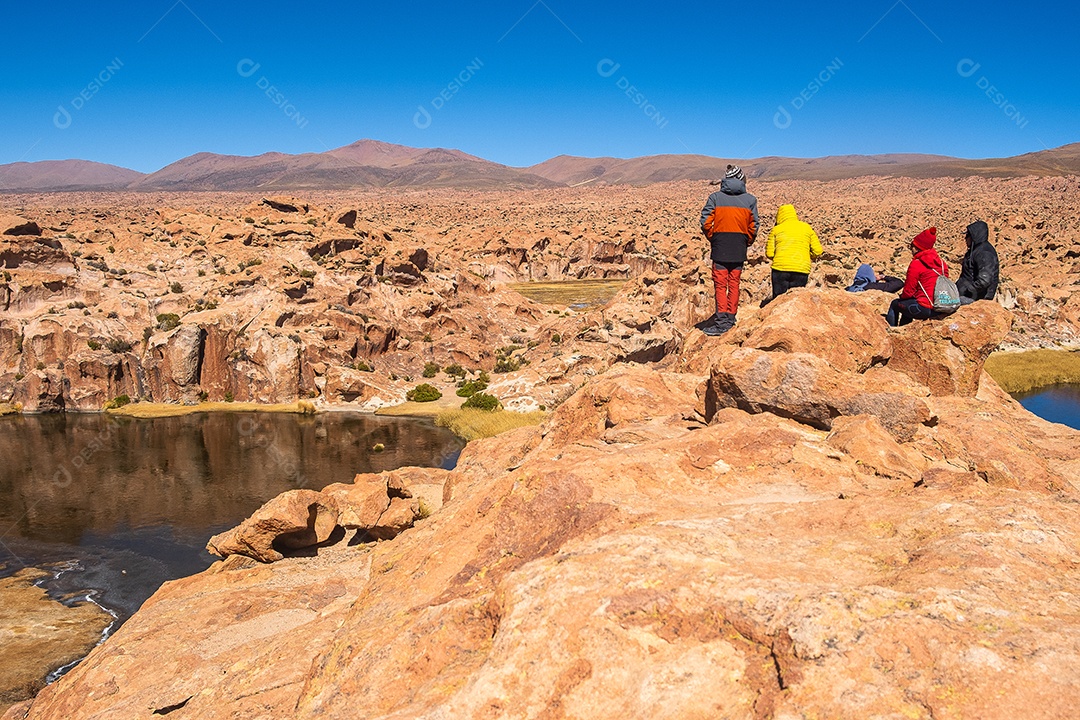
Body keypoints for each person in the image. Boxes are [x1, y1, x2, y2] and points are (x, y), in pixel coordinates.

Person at [699, 164, 758, 335]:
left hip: (720, 247)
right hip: (739, 248)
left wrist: (714, 237)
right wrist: (746, 241)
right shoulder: (750, 200)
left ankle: (721, 323)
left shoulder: (715, 198)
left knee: (720, 285)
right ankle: (730, 320)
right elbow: (754, 226)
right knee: (734, 284)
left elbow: (705, 222)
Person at [886, 227, 950, 327]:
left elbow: (908, 291)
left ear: (917, 247)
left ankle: (890, 333)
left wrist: (902, 297)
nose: (911, 249)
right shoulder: (942, 264)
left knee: (895, 304)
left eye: (912, 246)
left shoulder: (917, 264)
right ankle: (905, 331)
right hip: (940, 307)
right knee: (908, 305)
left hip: (924, 308)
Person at [765, 204, 822, 300]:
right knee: (795, 300)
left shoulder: (776, 229)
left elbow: (769, 253)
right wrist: (807, 256)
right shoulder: (806, 228)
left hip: (780, 269)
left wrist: (780, 257)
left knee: (778, 301)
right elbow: (818, 251)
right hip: (801, 269)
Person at [956, 220, 999, 302]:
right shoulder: (975, 250)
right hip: (967, 295)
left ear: (974, 236)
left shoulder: (984, 253)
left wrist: (967, 290)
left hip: (975, 298)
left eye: (968, 235)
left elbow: (984, 280)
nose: (965, 238)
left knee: (943, 305)